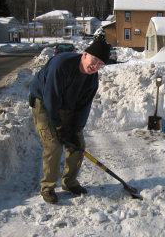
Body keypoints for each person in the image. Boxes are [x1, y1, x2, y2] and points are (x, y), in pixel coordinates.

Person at [29, 30, 110, 204]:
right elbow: (52, 97)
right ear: (85, 54)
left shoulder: (92, 80)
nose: (95, 66)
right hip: (43, 101)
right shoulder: (62, 65)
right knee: (54, 145)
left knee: (78, 144)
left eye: (100, 64)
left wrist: (74, 130)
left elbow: (83, 108)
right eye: (94, 60)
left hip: (67, 105)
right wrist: (59, 127)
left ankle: (70, 182)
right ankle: (48, 187)